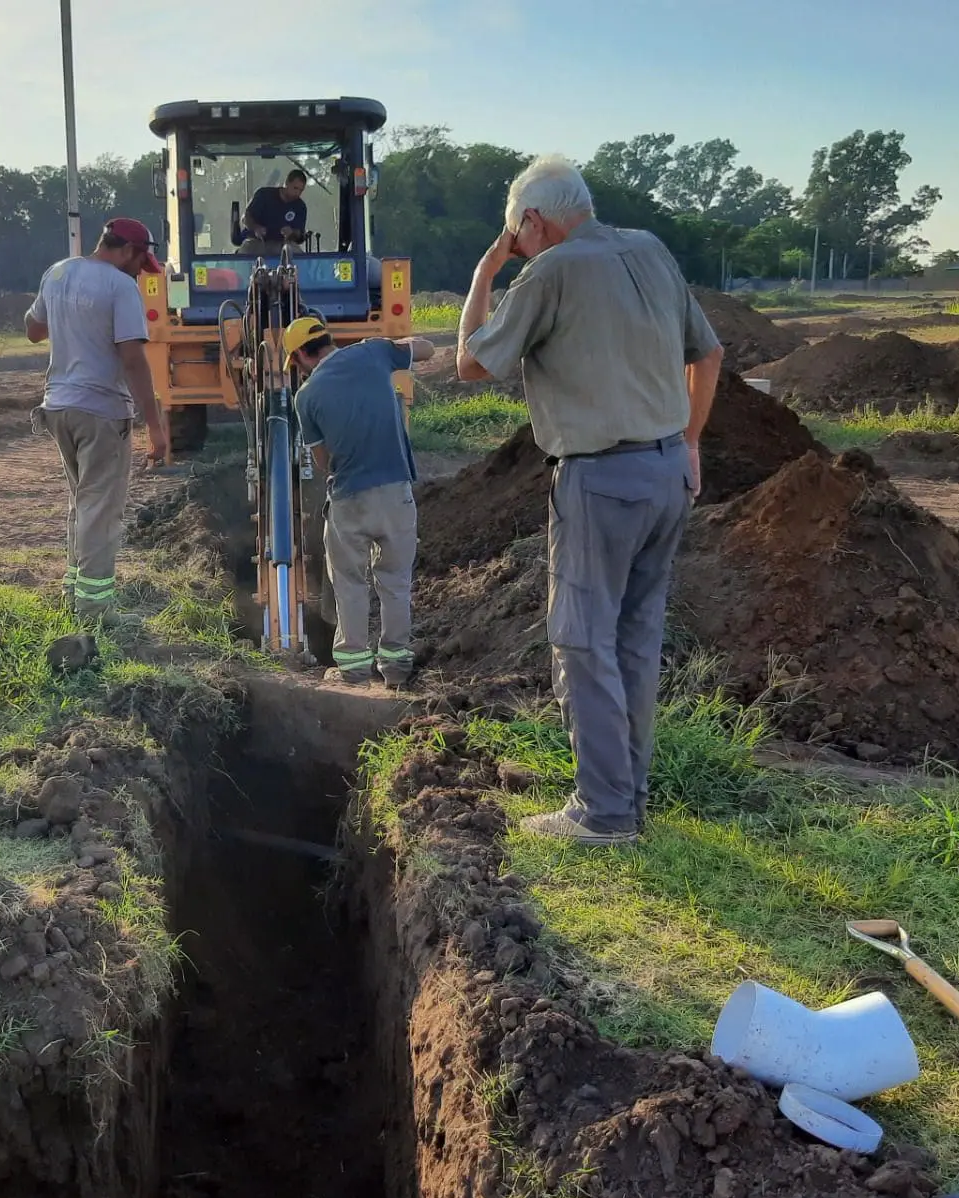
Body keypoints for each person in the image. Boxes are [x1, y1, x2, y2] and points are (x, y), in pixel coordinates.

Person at [456, 154, 723, 846]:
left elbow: (471, 363)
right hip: (667, 474)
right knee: (634, 643)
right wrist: (690, 440)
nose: (519, 246)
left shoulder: (552, 270)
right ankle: (625, 797)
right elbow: (710, 353)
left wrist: (489, 270)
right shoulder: (651, 250)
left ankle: (603, 815)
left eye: (517, 234)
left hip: (600, 480)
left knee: (582, 640)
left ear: (532, 223)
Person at [25, 218, 166, 626]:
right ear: (125, 250)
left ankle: (74, 592)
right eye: (141, 261)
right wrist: (155, 427)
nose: (142, 271)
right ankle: (96, 610)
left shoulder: (58, 273)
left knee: (82, 503)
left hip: (59, 408)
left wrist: (68, 319)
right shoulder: (119, 287)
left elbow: (33, 330)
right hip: (102, 410)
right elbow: (134, 359)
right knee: (101, 510)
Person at [286, 316, 434, 688]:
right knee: (395, 581)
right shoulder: (373, 352)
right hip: (396, 493)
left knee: (350, 582)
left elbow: (322, 462)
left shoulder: (306, 396)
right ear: (327, 340)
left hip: (349, 497)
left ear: (302, 354)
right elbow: (427, 349)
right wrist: (398, 342)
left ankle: (353, 670)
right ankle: (397, 669)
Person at [240, 169, 308, 256]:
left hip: (283, 245)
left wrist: (292, 232)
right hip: (256, 242)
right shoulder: (264, 195)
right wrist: (256, 228)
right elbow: (246, 218)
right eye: (295, 188)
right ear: (286, 183)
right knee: (245, 253)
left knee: (299, 257)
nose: (297, 193)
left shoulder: (300, 206)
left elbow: (300, 235)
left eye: (301, 190)